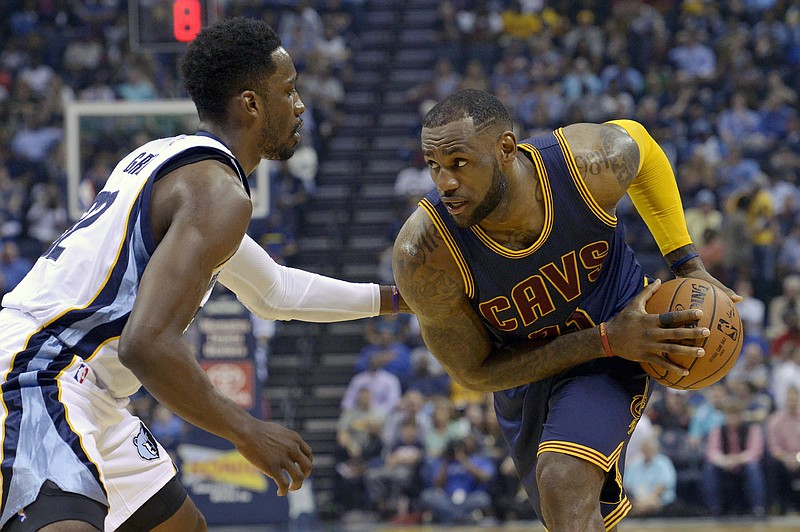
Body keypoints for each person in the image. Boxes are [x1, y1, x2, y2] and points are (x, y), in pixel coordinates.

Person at [0, 17, 409, 532]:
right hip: (41, 369)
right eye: (289, 90)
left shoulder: (173, 161)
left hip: (90, 387)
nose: (301, 104)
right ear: (251, 104)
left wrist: (399, 299)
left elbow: (276, 292)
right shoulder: (218, 192)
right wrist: (247, 432)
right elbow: (145, 346)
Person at [392, 88, 740, 531]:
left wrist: (686, 261)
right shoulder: (424, 253)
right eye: (434, 167)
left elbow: (644, 148)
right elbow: (474, 373)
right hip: (530, 372)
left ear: (504, 149)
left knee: (563, 481)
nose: (445, 182)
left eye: (459, 163)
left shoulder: (583, 165)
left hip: (621, 344)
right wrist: (604, 337)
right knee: (570, 517)